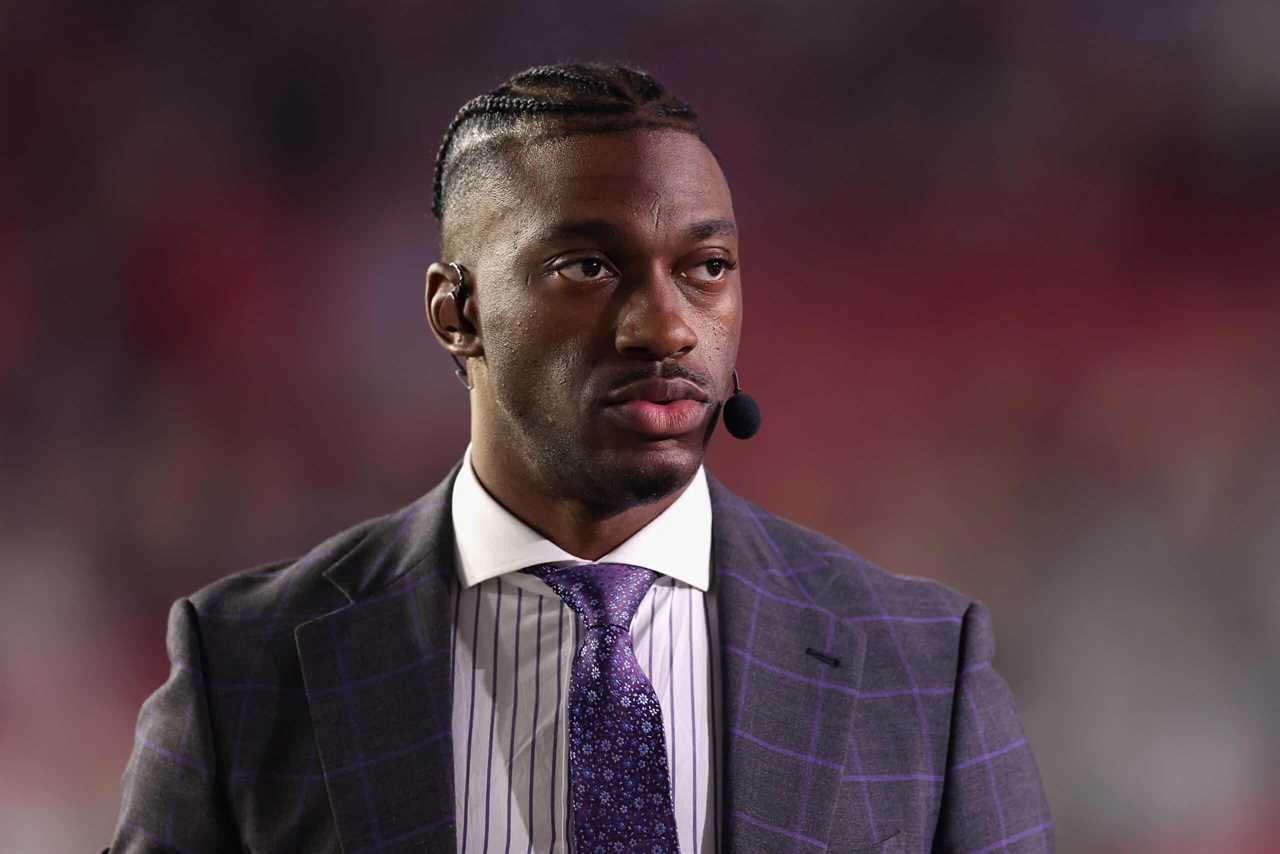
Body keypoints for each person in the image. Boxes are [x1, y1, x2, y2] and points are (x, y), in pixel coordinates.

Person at [107, 62, 1053, 853]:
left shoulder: (923, 667)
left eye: (706, 268)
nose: (667, 326)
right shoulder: (246, 667)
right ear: (456, 312)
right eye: (588, 268)